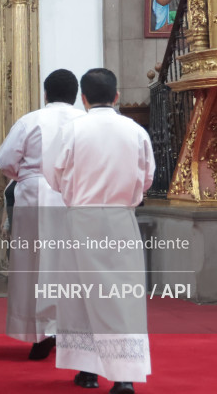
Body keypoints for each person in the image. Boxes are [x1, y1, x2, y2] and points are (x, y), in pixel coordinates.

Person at [44, 68, 155, 394]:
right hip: (121, 219)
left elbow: (52, 174)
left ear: (84, 98)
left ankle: (87, 371)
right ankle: (123, 376)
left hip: (82, 219)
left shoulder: (73, 129)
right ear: (116, 96)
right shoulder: (135, 131)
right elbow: (147, 177)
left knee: (78, 296)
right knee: (122, 298)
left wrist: (75, 189)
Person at [0, 69, 85, 360]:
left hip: (35, 195)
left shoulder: (30, 120)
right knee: (71, 265)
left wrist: (27, 176)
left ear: (45, 93)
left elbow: (6, 160)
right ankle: (70, 331)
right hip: (75, 195)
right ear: (76, 96)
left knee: (33, 265)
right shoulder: (84, 122)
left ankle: (40, 333)